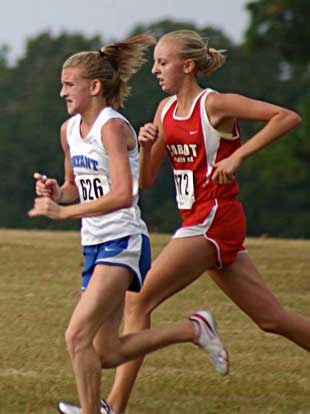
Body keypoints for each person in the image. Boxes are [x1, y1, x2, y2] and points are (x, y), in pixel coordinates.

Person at [59, 29, 310, 414]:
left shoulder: (216, 105)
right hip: (199, 221)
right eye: (156, 62)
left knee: (138, 300)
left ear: (188, 66)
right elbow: (145, 180)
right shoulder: (163, 111)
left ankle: (112, 406)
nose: (156, 70)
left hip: (214, 219)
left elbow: (286, 117)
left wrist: (238, 156)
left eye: (163, 62)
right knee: (270, 319)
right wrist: (144, 146)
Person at [28, 33, 229, 414]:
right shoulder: (69, 130)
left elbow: (123, 194)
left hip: (123, 240)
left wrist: (64, 214)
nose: (62, 93)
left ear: (95, 86)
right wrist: (57, 193)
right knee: (105, 352)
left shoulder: (112, 127)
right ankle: (193, 330)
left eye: (69, 85)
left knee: (76, 335)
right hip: (94, 244)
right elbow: (75, 188)